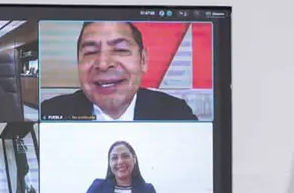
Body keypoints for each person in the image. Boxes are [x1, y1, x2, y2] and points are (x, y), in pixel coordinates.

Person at [40, 21, 198, 121]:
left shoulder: (176, 113)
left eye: (120, 50)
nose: (103, 64)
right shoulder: (50, 112)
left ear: (143, 60)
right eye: (90, 52)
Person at [74, 141, 162, 193]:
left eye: (125, 156)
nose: (120, 161)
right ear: (109, 163)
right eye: (114, 158)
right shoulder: (97, 187)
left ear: (134, 159)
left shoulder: (148, 190)